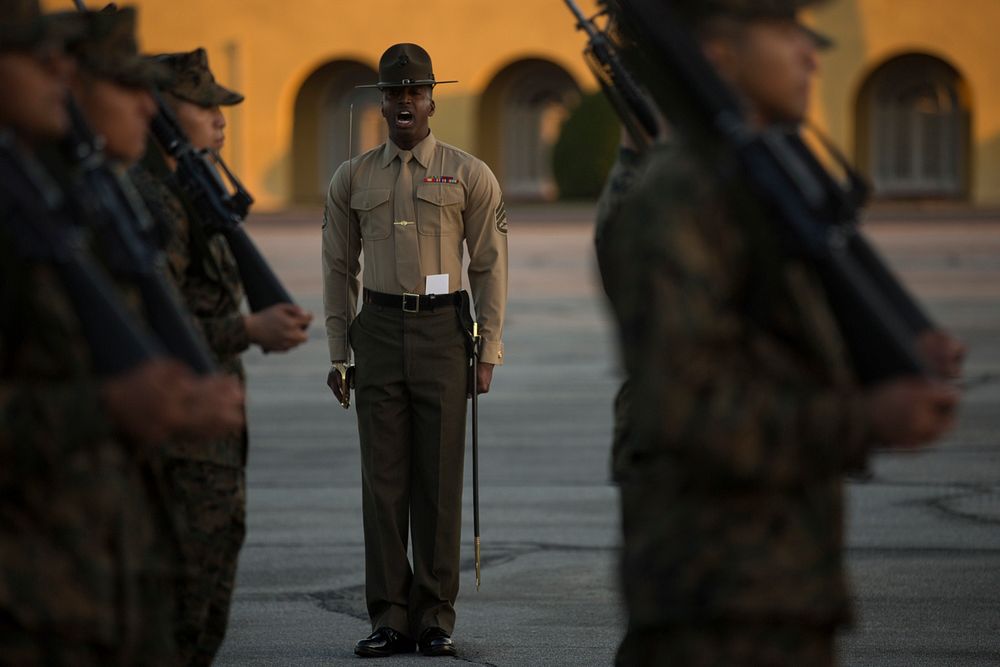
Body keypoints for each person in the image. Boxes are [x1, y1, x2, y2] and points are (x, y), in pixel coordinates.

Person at [602, 1, 963, 665]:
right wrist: (865, 418)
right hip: (715, 602)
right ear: (719, 56)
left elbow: (775, 349)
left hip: (782, 587)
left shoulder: (753, 175)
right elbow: (688, 411)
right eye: (785, 32)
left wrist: (888, 355)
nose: (810, 54)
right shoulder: (681, 194)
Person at [0, 2, 243, 664]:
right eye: (126, 85)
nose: (147, 109)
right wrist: (107, 406)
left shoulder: (70, 196)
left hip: (106, 576)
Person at [128, 46, 312, 665]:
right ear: (158, 113)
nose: (220, 118)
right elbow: (152, 333)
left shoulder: (189, 192)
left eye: (221, 107)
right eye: (203, 105)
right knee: (173, 624)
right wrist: (247, 329)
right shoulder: (156, 204)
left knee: (203, 620)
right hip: (175, 449)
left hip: (211, 448)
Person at [322, 43, 508, 658]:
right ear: (380, 102)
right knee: (384, 484)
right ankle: (388, 616)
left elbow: (487, 266)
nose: (405, 101)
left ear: (432, 100)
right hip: (374, 329)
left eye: (415, 91)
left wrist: (489, 349)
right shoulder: (353, 177)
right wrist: (338, 350)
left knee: (438, 481)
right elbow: (337, 269)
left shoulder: (467, 173)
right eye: (394, 92)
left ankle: (434, 617)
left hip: (442, 333)